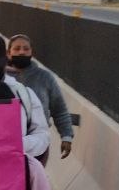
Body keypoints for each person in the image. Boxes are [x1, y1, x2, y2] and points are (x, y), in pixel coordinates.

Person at [7, 34, 74, 164]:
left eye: (26, 49)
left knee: (34, 182)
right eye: (17, 48)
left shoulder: (45, 77)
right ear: (9, 53)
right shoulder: (0, 77)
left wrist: (66, 136)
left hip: (38, 145)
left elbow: (59, 109)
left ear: (31, 52)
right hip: (8, 144)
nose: (22, 52)